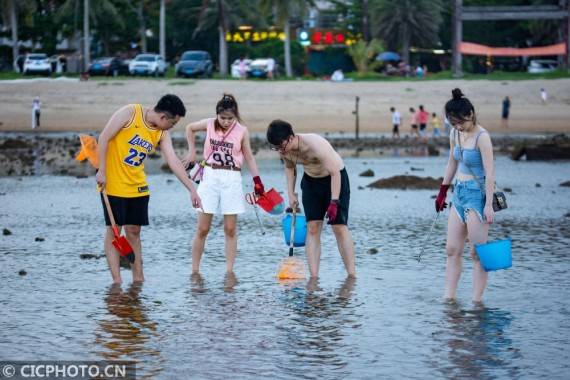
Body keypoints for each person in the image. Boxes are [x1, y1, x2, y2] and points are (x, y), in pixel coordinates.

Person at [96, 94, 202, 284]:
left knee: (134, 231)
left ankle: (138, 278)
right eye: (173, 123)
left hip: (138, 187)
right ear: (164, 118)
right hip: (113, 184)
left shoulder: (161, 133)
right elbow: (103, 138)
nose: (172, 127)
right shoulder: (130, 113)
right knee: (114, 231)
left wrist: (191, 189)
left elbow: (174, 162)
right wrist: (102, 170)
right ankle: (117, 281)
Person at [182, 94, 265, 275]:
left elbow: (249, 157)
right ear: (217, 115)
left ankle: (229, 272)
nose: (226, 122)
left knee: (230, 228)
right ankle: (195, 271)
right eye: (223, 118)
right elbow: (189, 128)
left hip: (232, 177)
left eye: (230, 118)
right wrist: (191, 153)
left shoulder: (242, 131)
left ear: (235, 116)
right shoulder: (210, 123)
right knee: (203, 228)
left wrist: (257, 181)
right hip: (210, 175)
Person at [266, 119, 356, 279]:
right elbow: (289, 167)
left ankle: (351, 275)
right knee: (313, 227)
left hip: (334, 179)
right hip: (311, 181)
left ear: (291, 137)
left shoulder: (315, 144)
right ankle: (314, 278)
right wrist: (291, 193)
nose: (280, 150)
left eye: (282, 145)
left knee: (339, 227)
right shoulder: (284, 150)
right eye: (276, 147)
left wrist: (334, 201)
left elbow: (335, 172)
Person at [434, 88, 496, 303]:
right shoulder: (455, 134)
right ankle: (448, 299)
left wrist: (489, 204)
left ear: (471, 114)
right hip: (458, 194)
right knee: (451, 249)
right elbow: (452, 161)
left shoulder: (482, 137)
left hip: (477, 197)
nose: (459, 127)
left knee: (477, 253)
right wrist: (442, 191)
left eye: (461, 122)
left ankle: (477, 302)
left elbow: (490, 173)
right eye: (454, 123)